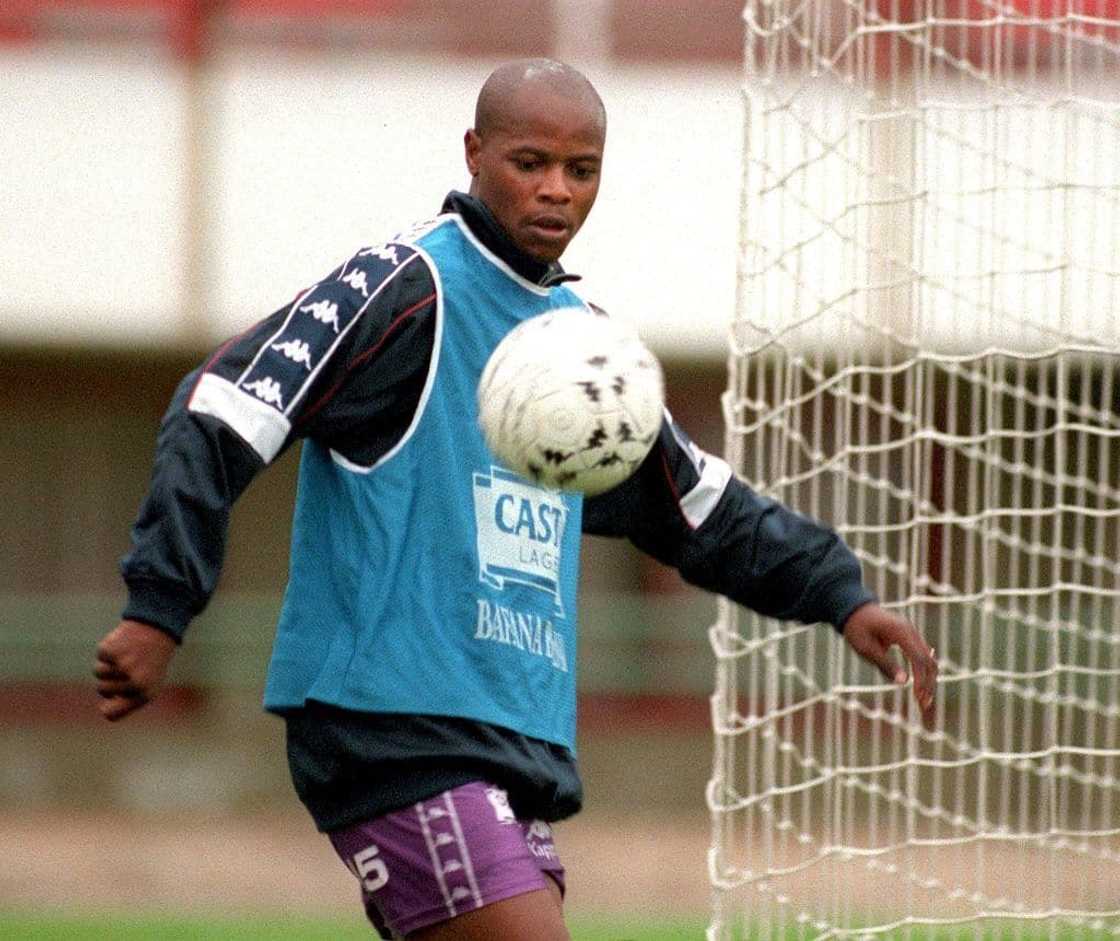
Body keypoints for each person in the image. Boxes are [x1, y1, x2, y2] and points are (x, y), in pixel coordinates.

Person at [94, 59, 938, 940]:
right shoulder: (405, 286)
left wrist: (841, 594)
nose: (555, 191)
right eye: (529, 162)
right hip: (393, 728)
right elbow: (222, 406)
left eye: (582, 171)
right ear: (474, 152)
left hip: (507, 739)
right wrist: (161, 605)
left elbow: (701, 509)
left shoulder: (583, 349)